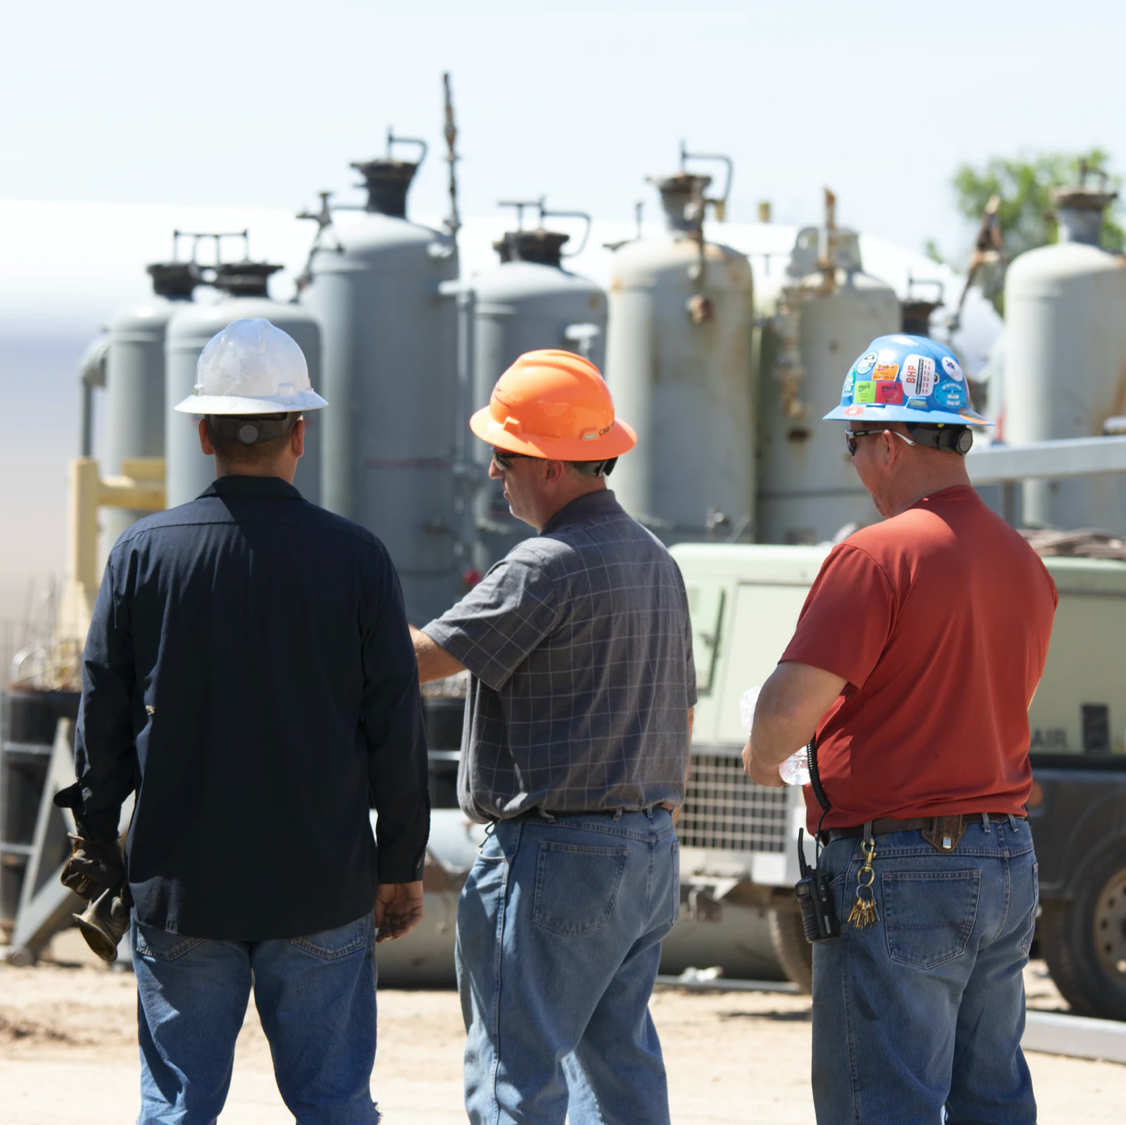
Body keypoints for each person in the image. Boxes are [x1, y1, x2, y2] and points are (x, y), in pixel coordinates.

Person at [59, 317, 430, 1125]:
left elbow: (104, 713)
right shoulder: (358, 558)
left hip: (182, 883)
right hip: (321, 883)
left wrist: (95, 835)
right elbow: (394, 725)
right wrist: (400, 862)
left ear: (202, 432)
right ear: (301, 431)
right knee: (334, 1106)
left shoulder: (142, 553)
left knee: (178, 1108)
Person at [743, 333, 1057, 1125]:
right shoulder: (1024, 561)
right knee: (992, 1097)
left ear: (887, 443)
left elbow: (785, 718)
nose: (852, 463)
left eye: (853, 442)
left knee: (880, 1104)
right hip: (1006, 853)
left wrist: (762, 752)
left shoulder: (876, 556)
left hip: (903, 863)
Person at [410, 349, 695, 1125]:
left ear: (549, 466)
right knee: (618, 1070)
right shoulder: (655, 558)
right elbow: (684, 712)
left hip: (555, 856)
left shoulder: (543, 564)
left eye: (503, 457)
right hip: (646, 851)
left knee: (514, 1075)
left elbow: (419, 660)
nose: (496, 475)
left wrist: (327, 610)